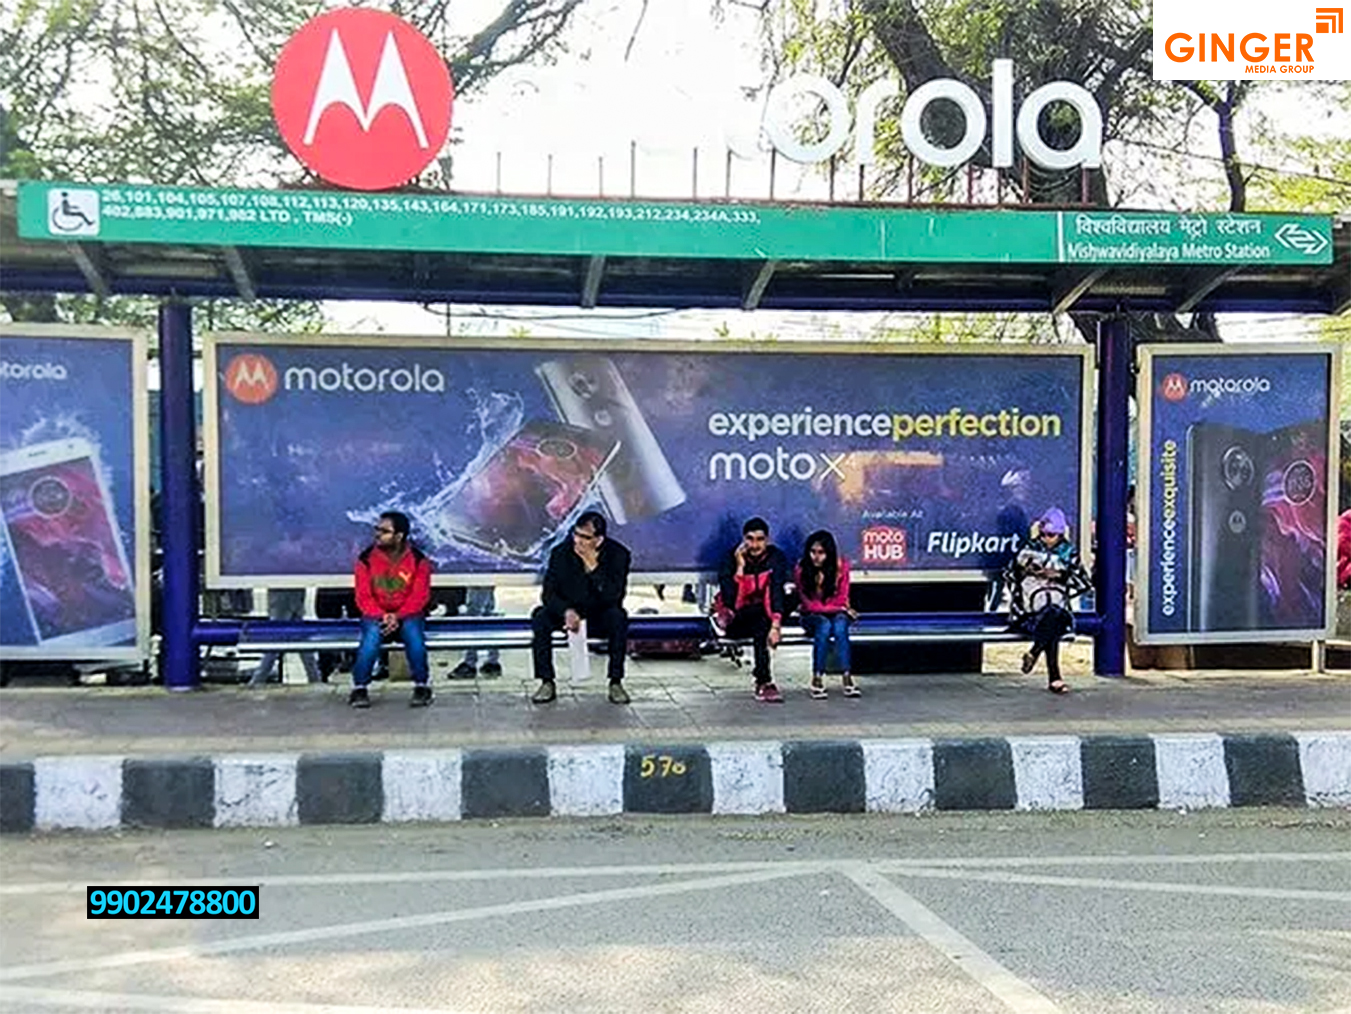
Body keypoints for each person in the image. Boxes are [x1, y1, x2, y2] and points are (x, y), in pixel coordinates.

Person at [531, 510, 631, 705]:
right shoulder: (561, 553)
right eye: (575, 534)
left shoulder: (618, 555)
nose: (578, 541)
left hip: (599, 613)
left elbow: (614, 596)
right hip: (568, 613)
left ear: (599, 540)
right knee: (540, 616)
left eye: (585, 537)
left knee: (618, 617)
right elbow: (548, 594)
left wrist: (593, 567)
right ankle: (546, 681)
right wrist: (566, 611)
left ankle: (615, 681)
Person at [348, 511, 433, 709]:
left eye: (384, 531)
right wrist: (383, 615)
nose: (377, 534)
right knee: (370, 641)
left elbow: (420, 597)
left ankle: (422, 685)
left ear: (399, 536)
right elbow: (363, 596)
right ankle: (359, 687)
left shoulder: (419, 560)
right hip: (376, 614)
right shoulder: (366, 559)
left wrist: (398, 615)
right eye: (377, 529)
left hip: (408, 614)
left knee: (416, 641)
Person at [1003, 507, 1092, 694]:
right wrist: (1026, 570)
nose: (1046, 538)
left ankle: (1035, 653)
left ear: (1060, 534)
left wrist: (1060, 575)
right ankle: (1055, 677)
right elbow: (1009, 575)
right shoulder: (1028, 548)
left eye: (1051, 535)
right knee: (1053, 621)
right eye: (1043, 534)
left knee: (1054, 616)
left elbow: (1085, 583)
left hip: (1055, 612)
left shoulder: (1069, 553)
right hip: (1028, 614)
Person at [717, 516, 791, 703]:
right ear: (743, 540)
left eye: (760, 539)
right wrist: (740, 569)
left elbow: (775, 592)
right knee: (760, 618)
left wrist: (775, 625)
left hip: (765, 617)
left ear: (767, 540)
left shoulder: (776, 557)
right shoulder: (730, 560)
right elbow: (732, 602)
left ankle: (763, 680)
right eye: (750, 539)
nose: (755, 545)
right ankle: (764, 681)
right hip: (738, 619)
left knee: (765, 618)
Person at [795, 530, 860, 700]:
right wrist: (836, 608)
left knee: (839, 627)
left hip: (836, 613)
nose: (816, 557)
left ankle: (847, 676)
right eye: (813, 552)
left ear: (829, 553)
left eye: (821, 553)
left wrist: (836, 608)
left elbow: (842, 597)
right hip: (811, 617)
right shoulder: (802, 569)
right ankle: (817, 677)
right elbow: (809, 604)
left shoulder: (841, 567)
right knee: (824, 625)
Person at [247, 588, 321, 686]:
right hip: (293, 594)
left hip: (282, 596)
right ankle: (314, 677)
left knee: (275, 642)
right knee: (299, 642)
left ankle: (258, 679)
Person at [451, 587, 502, 678]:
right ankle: (492, 661)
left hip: (479, 577)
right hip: (487, 576)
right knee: (487, 611)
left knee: (474, 613)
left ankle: (470, 663)